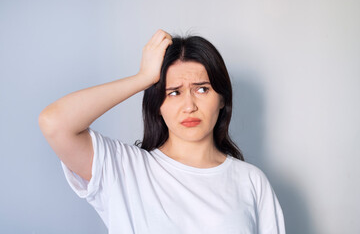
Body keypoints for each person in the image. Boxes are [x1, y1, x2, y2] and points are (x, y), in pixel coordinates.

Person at [39, 29, 286, 234]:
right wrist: (143, 78)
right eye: (174, 92)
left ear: (222, 99)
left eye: (202, 89)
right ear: (157, 105)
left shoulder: (251, 181)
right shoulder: (124, 170)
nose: (189, 106)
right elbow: (54, 122)